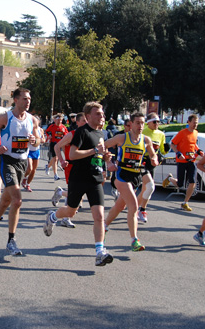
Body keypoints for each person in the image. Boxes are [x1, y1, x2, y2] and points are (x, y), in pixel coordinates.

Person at [42, 102, 113, 266]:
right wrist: (95, 151)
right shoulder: (81, 132)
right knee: (70, 212)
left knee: (99, 216)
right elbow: (73, 154)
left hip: (95, 179)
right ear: (88, 116)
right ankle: (52, 217)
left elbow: (99, 154)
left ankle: (99, 252)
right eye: (98, 114)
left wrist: (106, 159)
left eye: (102, 113)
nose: (101, 116)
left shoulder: (102, 133)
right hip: (79, 178)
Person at [0, 88, 40, 256]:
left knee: (6, 201)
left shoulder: (32, 120)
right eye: (24, 98)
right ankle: (11, 241)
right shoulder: (5, 118)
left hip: (22, 162)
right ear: (15, 100)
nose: (28, 101)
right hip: (7, 161)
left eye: (29, 98)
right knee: (17, 200)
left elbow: (37, 141)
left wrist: (35, 140)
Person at [103, 112, 159, 252]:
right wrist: (108, 161)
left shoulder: (146, 140)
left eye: (143, 123)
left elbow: (153, 154)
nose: (141, 126)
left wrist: (154, 160)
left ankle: (103, 225)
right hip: (121, 175)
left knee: (120, 205)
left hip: (136, 176)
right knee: (133, 206)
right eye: (138, 123)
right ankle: (134, 240)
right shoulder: (122, 137)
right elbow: (103, 147)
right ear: (131, 124)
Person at [50, 112, 87, 228]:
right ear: (78, 122)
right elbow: (57, 146)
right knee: (74, 192)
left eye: (88, 121)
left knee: (80, 193)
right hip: (71, 166)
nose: (87, 123)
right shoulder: (72, 134)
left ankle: (60, 193)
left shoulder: (89, 135)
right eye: (84, 121)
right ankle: (65, 218)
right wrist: (61, 160)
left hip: (85, 167)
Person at [162, 114, 204, 211]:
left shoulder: (196, 133)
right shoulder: (182, 133)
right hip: (182, 161)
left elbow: (193, 145)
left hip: (191, 160)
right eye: (194, 123)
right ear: (188, 122)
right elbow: (172, 144)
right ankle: (170, 178)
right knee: (180, 184)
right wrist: (178, 153)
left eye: (197, 123)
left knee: (192, 181)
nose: (195, 125)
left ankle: (185, 202)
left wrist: (198, 150)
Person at [137, 113, 168, 223]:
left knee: (147, 188)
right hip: (142, 161)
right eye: (154, 121)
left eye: (158, 122)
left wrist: (166, 150)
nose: (157, 124)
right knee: (150, 186)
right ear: (148, 122)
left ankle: (136, 208)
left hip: (152, 163)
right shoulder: (143, 131)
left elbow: (162, 151)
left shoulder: (161, 134)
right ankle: (142, 210)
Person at [22, 116, 45, 192]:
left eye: (36, 121)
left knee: (34, 170)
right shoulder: (29, 129)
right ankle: (24, 178)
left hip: (36, 151)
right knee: (30, 168)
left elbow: (43, 139)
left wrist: (40, 140)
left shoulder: (41, 130)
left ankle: (28, 184)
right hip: (29, 150)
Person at [44, 114, 68, 181]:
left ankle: (48, 166)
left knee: (55, 158)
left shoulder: (63, 127)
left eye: (60, 120)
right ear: (55, 120)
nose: (59, 122)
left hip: (60, 144)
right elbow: (47, 131)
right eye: (58, 120)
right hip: (53, 143)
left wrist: (64, 136)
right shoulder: (52, 126)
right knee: (55, 158)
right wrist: (49, 136)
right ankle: (55, 175)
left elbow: (66, 135)